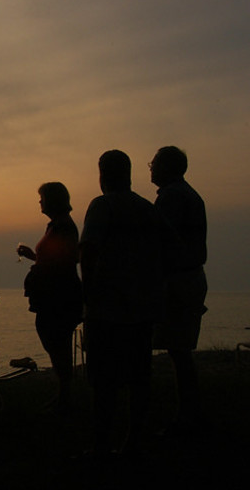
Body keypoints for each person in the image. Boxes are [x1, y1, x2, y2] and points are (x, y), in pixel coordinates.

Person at [80, 150, 167, 461]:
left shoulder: (102, 206)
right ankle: (133, 440)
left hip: (107, 306)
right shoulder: (148, 209)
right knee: (139, 377)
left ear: (104, 174)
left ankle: (102, 444)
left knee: (103, 380)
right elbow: (164, 254)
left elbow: (89, 249)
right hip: (143, 306)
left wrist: (87, 293)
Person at [150, 146, 208, 434]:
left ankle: (187, 414)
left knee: (179, 350)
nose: (150, 168)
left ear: (166, 167)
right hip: (188, 278)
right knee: (179, 350)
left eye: (154, 163)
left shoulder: (172, 197)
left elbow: (157, 239)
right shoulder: (187, 194)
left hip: (178, 279)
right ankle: (188, 411)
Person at [18, 182, 83, 414]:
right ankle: (63, 394)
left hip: (59, 296)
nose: (39, 202)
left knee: (58, 342)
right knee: (55, 341)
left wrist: (38, 266)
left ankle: (65, 396)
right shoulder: (56, 226)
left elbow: (64, 261)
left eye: (42, 198)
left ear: (53, 200)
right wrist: (33, 257)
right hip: (53, 295)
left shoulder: (63, 227)